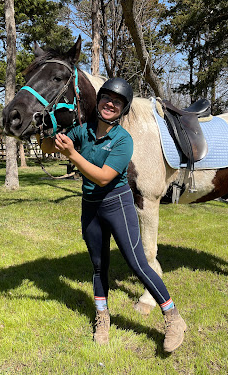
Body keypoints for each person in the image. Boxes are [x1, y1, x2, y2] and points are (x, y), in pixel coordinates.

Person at [39, 78, 186, 352]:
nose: (110, 103)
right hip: (90, 207)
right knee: (98, 266)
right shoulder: (83, 131)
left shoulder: (123, 140)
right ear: (99, 101)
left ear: (123, 109)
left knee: (138, 264)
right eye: (106, 97)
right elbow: (48, 148)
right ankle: (102, 316)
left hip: (116, 204)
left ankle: (173, 318)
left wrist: (72, 154)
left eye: (117, 102)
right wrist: (41, 131)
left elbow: (104, 177)